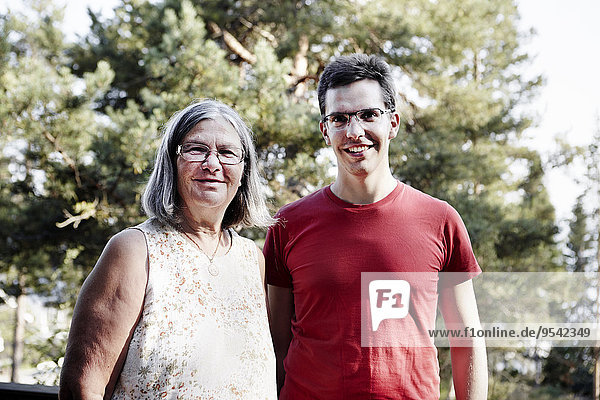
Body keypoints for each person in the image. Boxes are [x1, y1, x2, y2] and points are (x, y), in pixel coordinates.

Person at [264, 54, 487, 399]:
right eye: (339, 118)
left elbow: (467, 342)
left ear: (393, 123)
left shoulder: (441, 220)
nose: (354, 132)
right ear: (325, 130)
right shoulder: (288, 225)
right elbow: (274, 349)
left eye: (369, 115)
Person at [59, 99, 277, 399]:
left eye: (227, 153)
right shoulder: (134, 250)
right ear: (171, 164)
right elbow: (83, 387)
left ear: (243, 173)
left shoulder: (252, 259)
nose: (212, 164)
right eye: (196, 149)